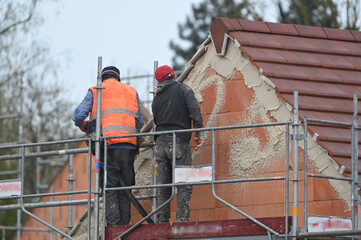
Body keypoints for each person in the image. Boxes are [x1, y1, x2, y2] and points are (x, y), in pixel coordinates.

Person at [72, 66, 144, 226]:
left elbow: (78, 116)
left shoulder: (95, 90)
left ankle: (113, 228)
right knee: (125, 190)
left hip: (108, 146)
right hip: (129, 146)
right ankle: (124, 228)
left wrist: (85, 125)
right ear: (118, 78)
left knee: (110, 187)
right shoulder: (131, 91)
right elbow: (140, 121)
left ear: (102, 78)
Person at [152, 65, 204, 223]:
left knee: (164, 186)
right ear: (173, 76)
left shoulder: (156, 98)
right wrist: (198, 134)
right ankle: (182, 220)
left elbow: (156, 121)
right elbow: (195, 112)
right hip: (178, 142)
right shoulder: (184, 90)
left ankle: (162, 220)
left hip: (160, 144)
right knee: (184, 182)